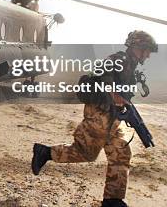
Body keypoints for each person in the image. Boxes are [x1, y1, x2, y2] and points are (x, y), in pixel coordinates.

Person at [31, 30, 158, 207]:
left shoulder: (130, 65)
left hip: (111, 117)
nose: (148, 55)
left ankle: (113, 200)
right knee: (85, 152)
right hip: (100, 114)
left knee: (121, 153)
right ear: (138, 47)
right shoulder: (118, 60)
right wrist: (114, 94)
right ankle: (45, 153)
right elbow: (101, 79)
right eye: (147, 50)